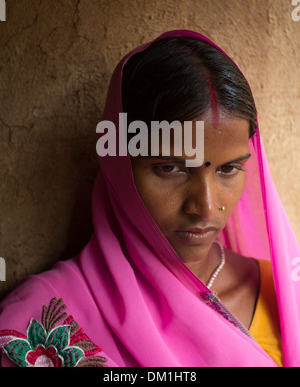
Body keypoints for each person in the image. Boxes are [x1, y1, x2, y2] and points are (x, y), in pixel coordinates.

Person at [0, 30, 299, 367]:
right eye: (170, 168)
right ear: (120, 164)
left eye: (228, 169)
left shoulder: (288, 300)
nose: (204, 206)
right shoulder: (40, 324)